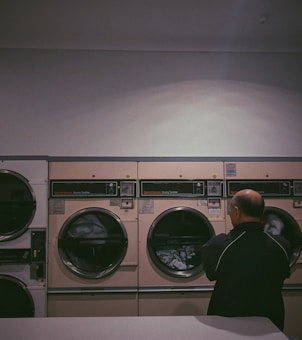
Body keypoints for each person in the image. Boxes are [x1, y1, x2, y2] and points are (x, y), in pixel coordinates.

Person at [202, 189, 291, 331]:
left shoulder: (219, 245)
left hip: (228, 322)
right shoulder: (282, 245)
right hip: (270, 322)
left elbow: (211, 274)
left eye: (230, 210)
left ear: (236, 211)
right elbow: (284, 273)